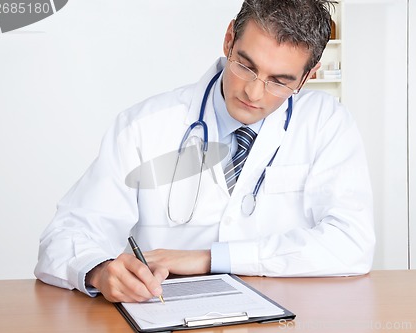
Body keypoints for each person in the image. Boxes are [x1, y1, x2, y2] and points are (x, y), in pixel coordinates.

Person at [35, 0, 375, 303]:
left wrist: (211, 258)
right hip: (165, 312)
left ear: (307, 77)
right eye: (246, 65)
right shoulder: (144, 124)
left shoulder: (326, 123)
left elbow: (352, 245)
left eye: (280, 81)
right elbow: (65, 236)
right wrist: (98, 271)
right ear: (229, 39)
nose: (254, 93)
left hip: (285, 317)